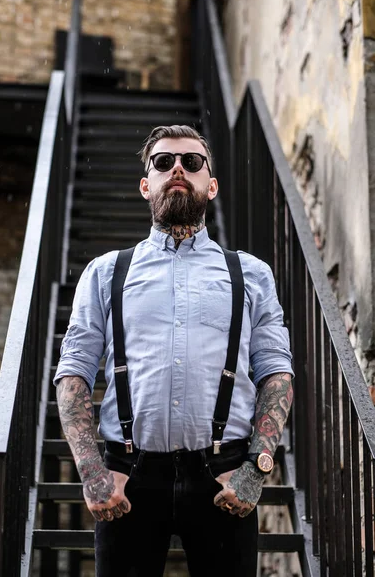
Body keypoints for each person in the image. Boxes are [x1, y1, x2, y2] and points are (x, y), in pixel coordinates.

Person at [54, 125, 294, 577]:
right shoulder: (106, 273)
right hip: (128, 476)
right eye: (163, 162)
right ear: (146, 185)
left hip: (225, 474)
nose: (178, 168)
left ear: (212, 184)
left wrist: (254, 471)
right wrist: (92, 472)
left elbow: (276, 375)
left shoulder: (252, 274)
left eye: (192, 161)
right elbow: (74, 375)